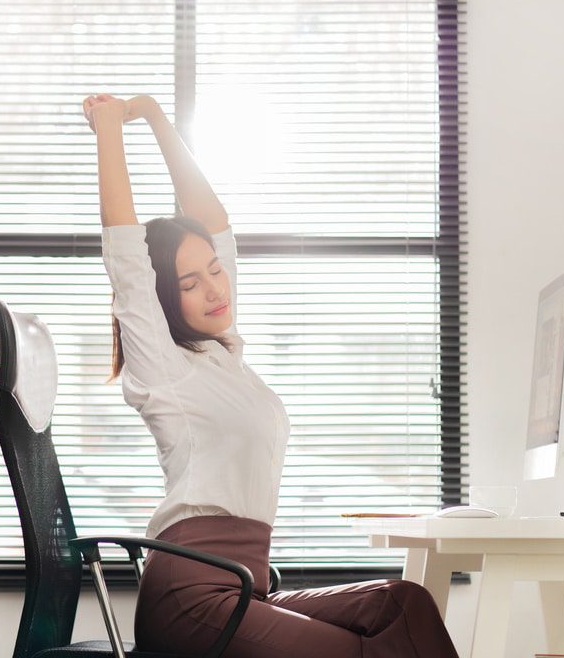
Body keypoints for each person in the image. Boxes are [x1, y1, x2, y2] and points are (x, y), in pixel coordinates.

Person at [82, 92, 459, 658]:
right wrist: (110, 128)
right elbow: (127, 260)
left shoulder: (224, 356)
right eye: (190, 284)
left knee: (401, 605)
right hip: (190, 598)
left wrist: (157, 118)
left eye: (215, 271)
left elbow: (215, 224)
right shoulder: (162, 366)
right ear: (162, 300)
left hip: (241, 588)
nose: (215, 288)